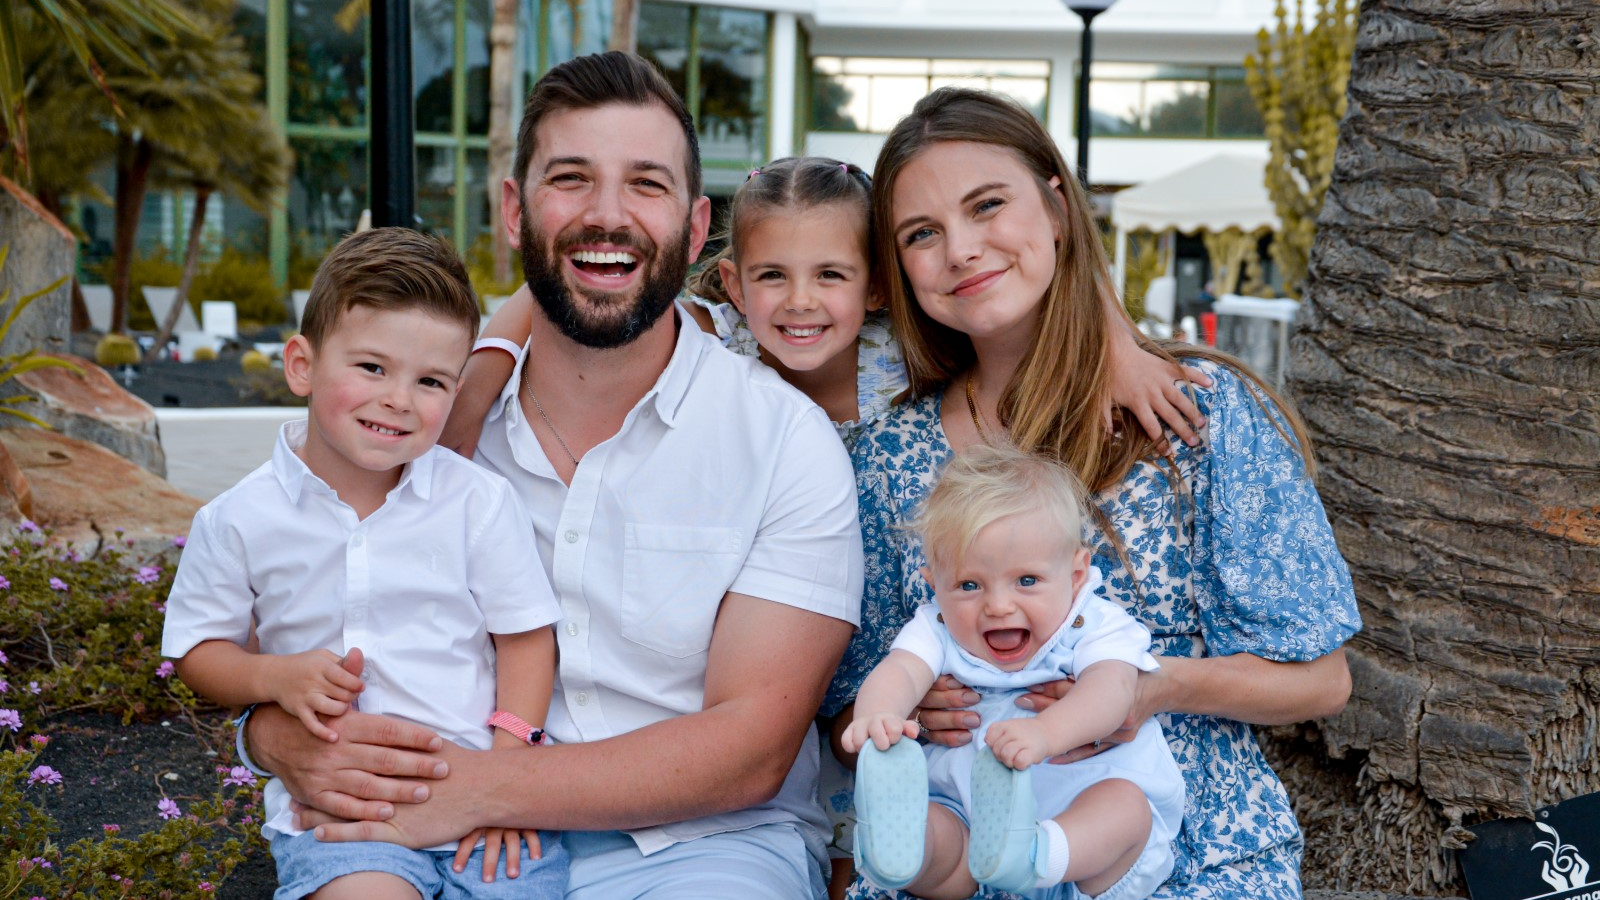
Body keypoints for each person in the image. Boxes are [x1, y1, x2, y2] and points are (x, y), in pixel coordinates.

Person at [240, 52, 864, 900]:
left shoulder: (784, 442)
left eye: (646, 185)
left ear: (693, 222)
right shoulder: (422, 430)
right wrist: (269, 736)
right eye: (571, 179)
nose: (607, 217)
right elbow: (292, 622)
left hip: (697, 851)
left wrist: (472, 791)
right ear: (512, 209)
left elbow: (749, 750)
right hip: (424, 847)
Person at [826, 87, 1362, 900]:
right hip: (959, 834)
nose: (961, 250)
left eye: (987, 206)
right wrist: (903, 716)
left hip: (1181, 844)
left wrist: (1149, 690)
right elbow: (844, 711)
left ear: (1057, 207)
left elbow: (1321, 680)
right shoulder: (890, 456)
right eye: (922, 234)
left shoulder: (1188, 413)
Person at [160, 227, 567, 900]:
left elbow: (523, 636)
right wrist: (274, 676)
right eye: (372, 368)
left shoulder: (478, 503)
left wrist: (509, 775)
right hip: (347, 818)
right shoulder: (238, 518)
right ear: (301, 365)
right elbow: (198, 651)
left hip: (485, 809)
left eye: (431, 380)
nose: (399, 399)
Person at [842, 444, 1183, 900]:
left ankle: (1036, 854)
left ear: (1077, 573)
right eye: (969, 585)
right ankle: (902, 849)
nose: (998, 606)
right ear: (934, 584)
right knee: (944, 843)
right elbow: (900, 671)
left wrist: (1046, 733)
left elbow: (1112, 691)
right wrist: (878, 716)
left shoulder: (1092, 624)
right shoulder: (937, 625)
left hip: (1081, 832)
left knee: (1125, 809)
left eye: (1027, 581)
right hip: (971, 826)